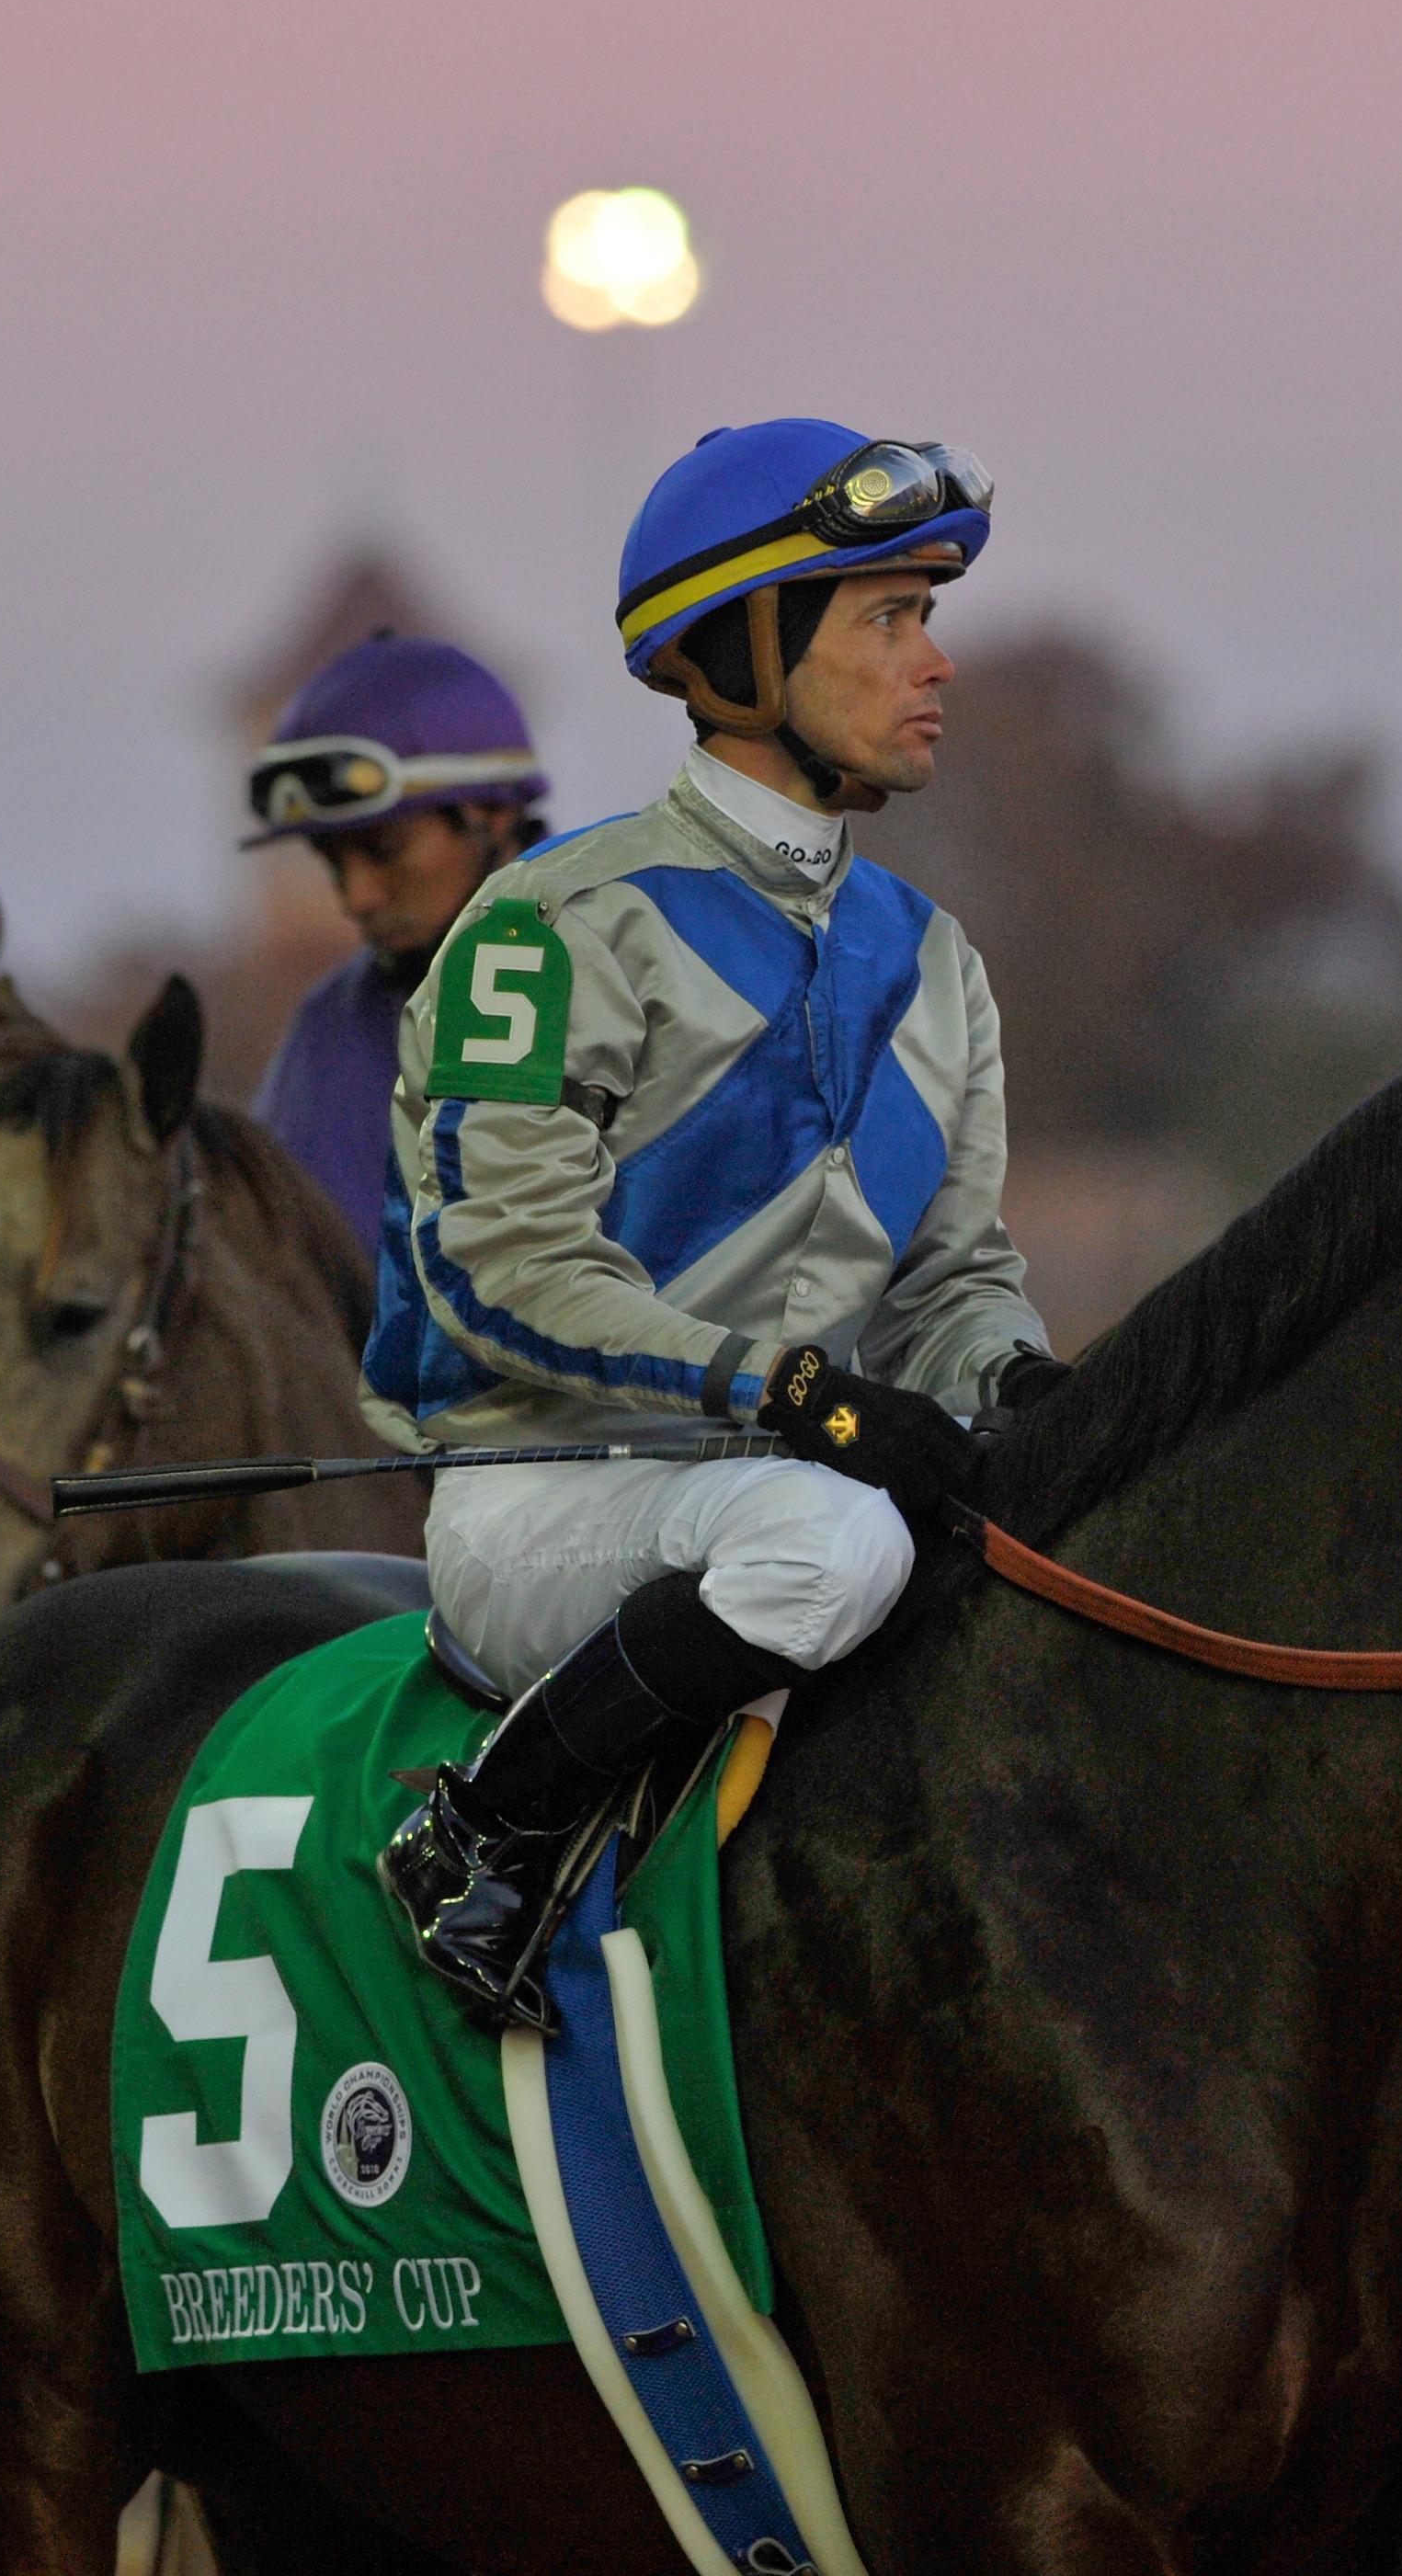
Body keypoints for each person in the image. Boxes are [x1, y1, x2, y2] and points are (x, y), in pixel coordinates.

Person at [366, 421, 1066, 2027]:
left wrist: (1024, 1389)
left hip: (784, 1486)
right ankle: (480, 1828)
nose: (935, 661)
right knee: (830, 1538)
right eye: (885, 620)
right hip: (550, 1495)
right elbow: (506, 1270)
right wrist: (788, 1391)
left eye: (928, 617)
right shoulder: (547, 927)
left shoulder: (936, 961)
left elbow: (955, 1278)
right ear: (740, 654)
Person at [241, 633, 552, 1229]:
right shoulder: (328, 1024)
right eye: (331, 862)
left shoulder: (639, 975)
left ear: (494, 813)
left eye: (384, 849)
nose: (356, 898)